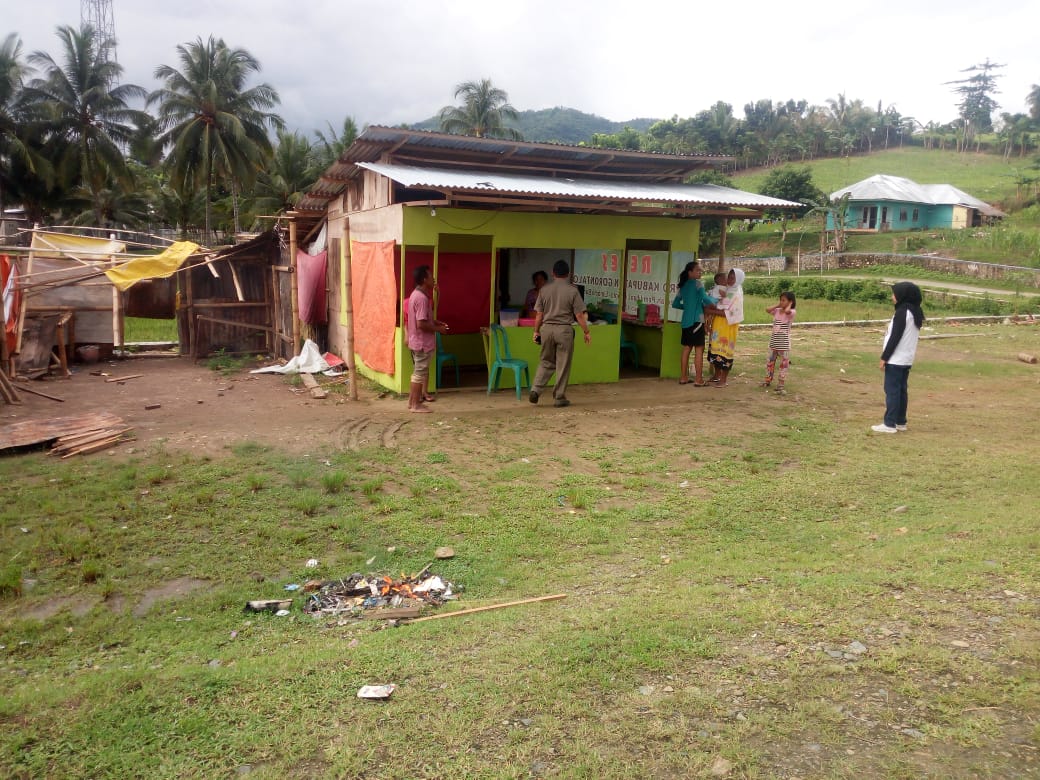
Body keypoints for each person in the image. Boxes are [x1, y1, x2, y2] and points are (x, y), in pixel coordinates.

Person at [529, 259, 591, 408]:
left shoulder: (544, 290)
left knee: (546, 361)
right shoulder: (572, 290)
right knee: (563, 364)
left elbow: (539, 315)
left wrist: (536, 332)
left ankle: (535, 390)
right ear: (568, 274)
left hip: (547, 329)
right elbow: (579, 315)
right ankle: (559, 397)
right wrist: (586, 332)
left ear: (553, 273)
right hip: (564, 330)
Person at [872, 281, 925, 433]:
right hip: (906, 358)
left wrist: (884, 357)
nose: (892, 297)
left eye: (894, 294)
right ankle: (900, 422)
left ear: (902, 296)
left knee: (892, 391)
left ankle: (889, 423)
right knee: (901, 391)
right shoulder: (915, 312)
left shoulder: (903, 312)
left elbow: (895, 337)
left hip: (896, 359)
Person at [405, 265, 448, 413]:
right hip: (422, 342)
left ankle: (412, 402)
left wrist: (436, 323)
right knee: (419, 374)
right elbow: (421, 324)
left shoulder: (416, 295)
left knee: (417, 373)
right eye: (430, 276)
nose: (433, 278)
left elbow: (423, 319)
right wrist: (439, 329)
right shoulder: (422, 298)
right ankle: (416, 405)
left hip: (416, 341)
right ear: (424, 279)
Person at [671, 261, 718, 386]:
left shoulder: (683, 286)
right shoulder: (698, 284)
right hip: (697, 321)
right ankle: (698, 379)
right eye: (697, 270)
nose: (700, 272)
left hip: (686, 322)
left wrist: (687, 308)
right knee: (699, 349)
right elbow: (705, 298)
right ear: (690, 272)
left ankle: (683, 377)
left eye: (700, 270)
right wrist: (716, 305)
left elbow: (675, 304)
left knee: (686, 348)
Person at [706, 268, 745, 387]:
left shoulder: (737, 294)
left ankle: (723, 379)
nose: (729, 279)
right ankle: (717, 375)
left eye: (732, 277)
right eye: (729, 276)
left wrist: (711, 311)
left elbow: (732, 313)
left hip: (728, 326)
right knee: (715, 349)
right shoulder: (726, 289)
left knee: (725, 351)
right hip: (718, 324)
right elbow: (718, 303)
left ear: (738, 279)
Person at [761, 291, 796, 393]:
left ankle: (781, 384)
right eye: (780, 300)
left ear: (790, 302)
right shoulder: (777, 311)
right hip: (773, 343)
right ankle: (767, 380)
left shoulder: (792, 312)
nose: (781, 302)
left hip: (784, 344)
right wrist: (778, 305)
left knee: (783, 365)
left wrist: (789, 305)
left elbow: (787, 312)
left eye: (784, 300)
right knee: (770, 363)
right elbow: (767, 309)